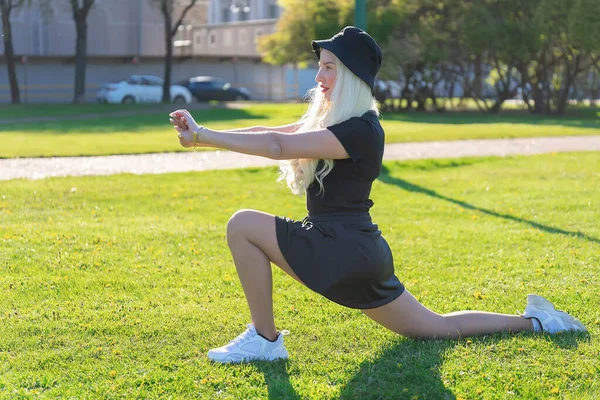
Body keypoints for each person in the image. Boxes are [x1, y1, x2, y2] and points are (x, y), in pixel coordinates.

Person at [169, 26, 587, 364]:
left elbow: (279, 146)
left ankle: (265, 340)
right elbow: (273, 135)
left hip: (342, 250)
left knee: (243, 225)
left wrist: (204, 135)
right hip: (360, 255)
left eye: (329, 68)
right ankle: (537, 322)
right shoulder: (343, 125)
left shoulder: (361, 130)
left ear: (351, 74)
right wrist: (201, 138)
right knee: (438, 329)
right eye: (320, 67)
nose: (319, 77)